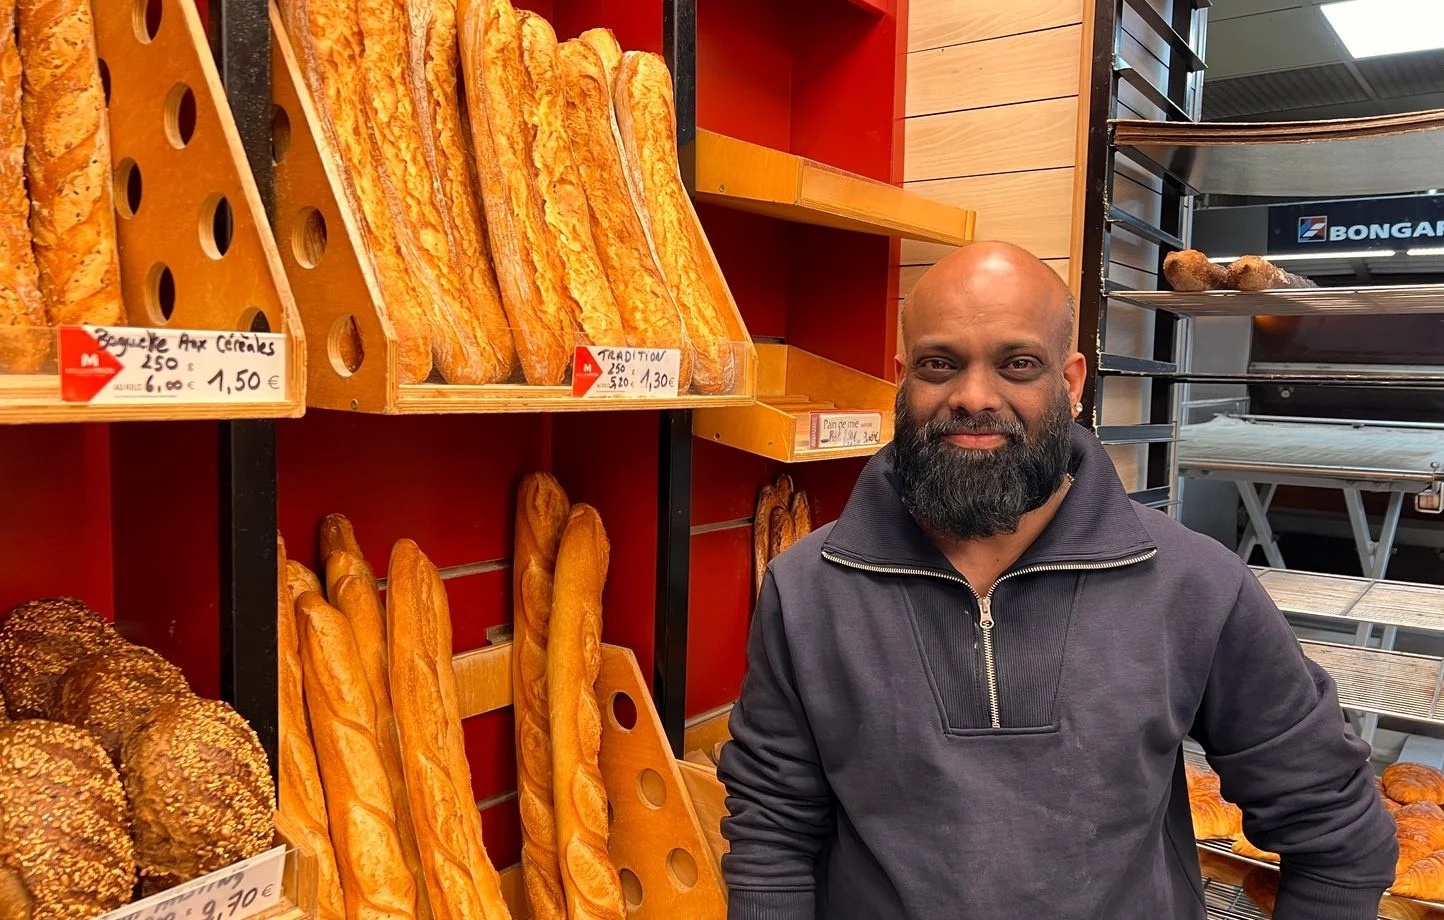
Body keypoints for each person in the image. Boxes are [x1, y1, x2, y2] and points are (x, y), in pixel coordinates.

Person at [716, 241, 1397, 919]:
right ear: (903, 378)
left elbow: (1339, 837)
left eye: (1017, 364)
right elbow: (772, 836)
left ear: (1071, 383)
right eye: (938, 364)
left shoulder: (1195, 586)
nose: (973, 396)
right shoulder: (807, 589)